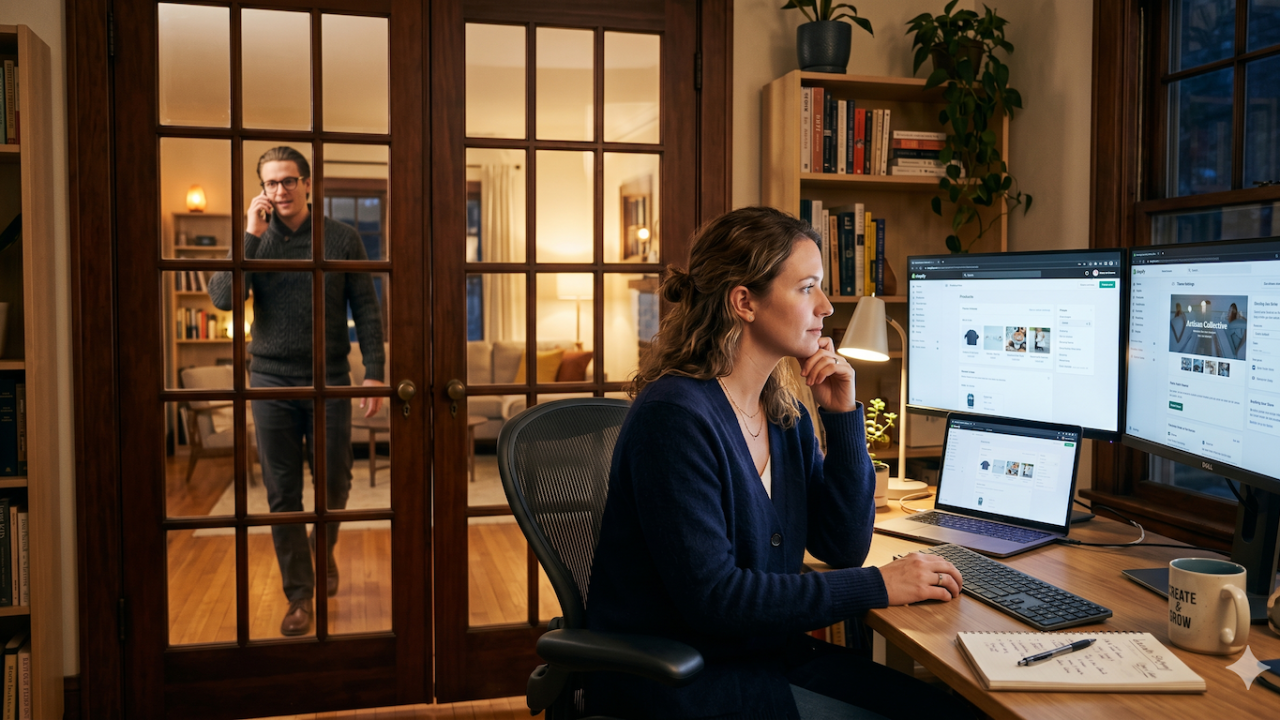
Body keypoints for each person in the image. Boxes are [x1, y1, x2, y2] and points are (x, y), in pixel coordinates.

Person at [584, 207, 970, 719]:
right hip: (684, 679)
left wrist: (843, 418)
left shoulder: (780, 410)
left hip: (763, 657)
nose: (828, 307)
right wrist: (881, 586)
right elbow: (716, 599)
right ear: (744, 301)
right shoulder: (674, 419)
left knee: (949, 709)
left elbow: (842, 545)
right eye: (807, 287)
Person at [208, 146, 386, 637]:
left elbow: (366, 309)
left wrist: (374, 369)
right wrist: (250, 234)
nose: (280, 191)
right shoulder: (254, 238)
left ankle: (320, 550)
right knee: (282, 494)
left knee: (335, 483)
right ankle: (300, 596)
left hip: (329, 378)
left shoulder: (342, 237)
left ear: (308, 184)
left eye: (289, 181)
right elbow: (224, 298)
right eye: (270, 183)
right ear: (261, 190)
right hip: (269, 382)